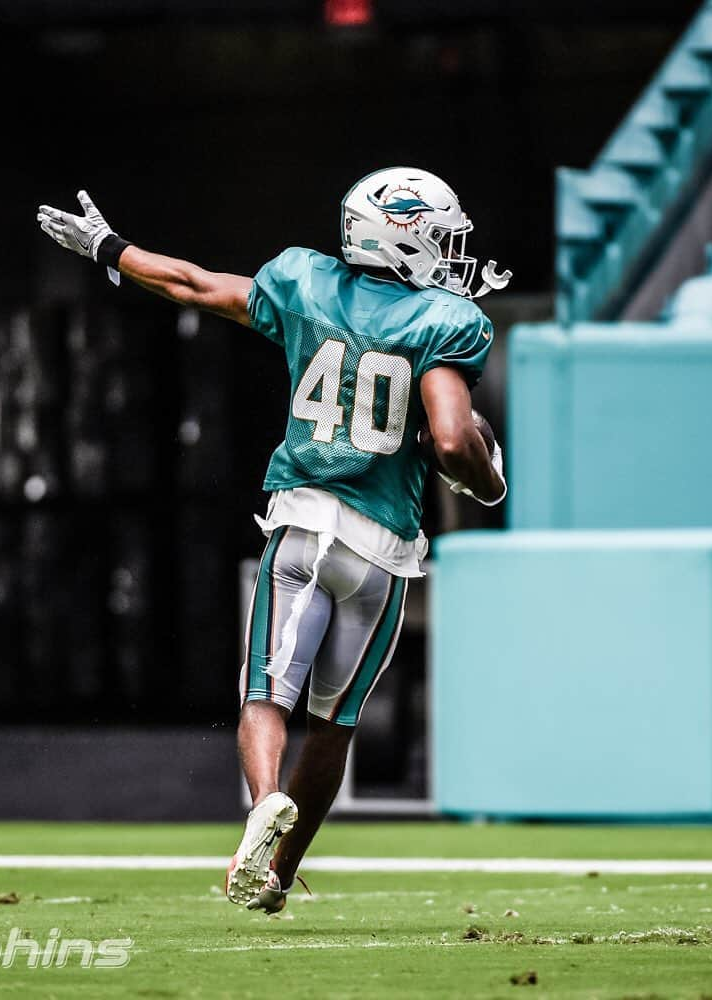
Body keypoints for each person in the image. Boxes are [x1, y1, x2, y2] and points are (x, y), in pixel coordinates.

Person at [37, 167, 507, 913]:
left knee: (266, 690)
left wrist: (109, 248)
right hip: (382, 550)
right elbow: (452, 441)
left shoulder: (303, 280)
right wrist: (489, 481)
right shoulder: (445, 321)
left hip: (303, 524)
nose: (448, 255)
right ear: (402, 235)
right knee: (334, 722)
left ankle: (262, 804)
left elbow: (191, 284)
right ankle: (279, 873)